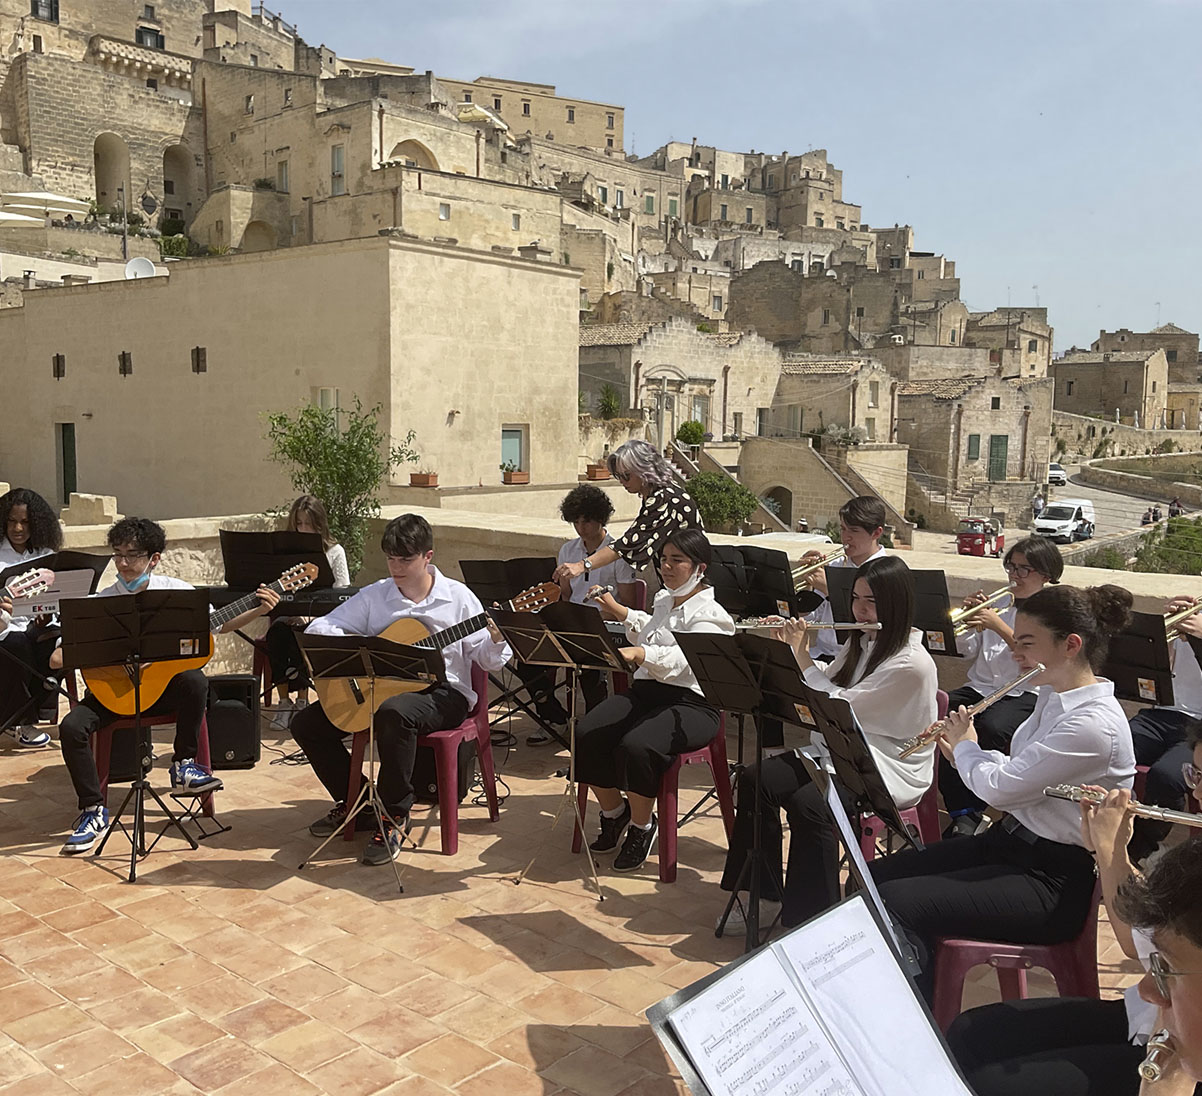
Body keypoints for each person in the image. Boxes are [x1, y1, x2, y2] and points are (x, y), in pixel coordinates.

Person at [870, 583, 1136, 1001]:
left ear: (1071, 645)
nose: (1016, 652)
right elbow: (1018, 769)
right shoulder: (1053, 696)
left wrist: (966, 748)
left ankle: (914, 1019)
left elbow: (1001, 790)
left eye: (1026, 643)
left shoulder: (1093, 726)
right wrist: (966, 749)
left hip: (1050, 882)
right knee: (873, 879)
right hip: (1009, 846)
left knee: (898, 902)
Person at [946, 725, 1202, 1096]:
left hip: (1183, 1038)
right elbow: (1150, 928)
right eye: (1195, 775)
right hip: (1157, 1018)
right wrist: (1108, 847)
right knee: (972, 1035)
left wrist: (1110, 851)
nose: (1196, 794)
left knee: (990, 1084)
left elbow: (1135, 942)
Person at [718, 556, 938, 933]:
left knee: (813, 805)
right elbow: (826, 679)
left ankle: (813, 920)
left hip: (883, 767)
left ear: (897, 604)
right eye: (855, 599)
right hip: (839, 752)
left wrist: (801, 654)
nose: (860, 610)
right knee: (756, 780)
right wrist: (785, 651)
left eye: (871, 601)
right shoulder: (863, 641)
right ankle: (764, 895)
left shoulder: (911, 664)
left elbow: (839, 706)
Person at [290, 514, 512, 866]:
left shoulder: (458, 598)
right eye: (391, 559)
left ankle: (394, 814)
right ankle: (360, 803)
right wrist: (355, 642)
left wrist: (498, 639)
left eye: (405, 559)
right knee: (306, 724)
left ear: (427, 556)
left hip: (445, 694)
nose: (396, 567)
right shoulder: (376, 595)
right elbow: (323, 626)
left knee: (394, 714)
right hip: (381, 689)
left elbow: (487, 660)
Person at [53, 518, 278, 855]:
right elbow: (57, 657)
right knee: (71, 727)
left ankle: (183, 764)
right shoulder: (101, 602)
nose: (123, 564)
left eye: (132, 555)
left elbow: (220, 624)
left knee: (194, 680)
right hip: (114, 694)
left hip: (161, 694)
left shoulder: (177, 593)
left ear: (154, 559)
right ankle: (93, 809)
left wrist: (259, 608)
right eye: (118, 555)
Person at [578, 529, 735, 873]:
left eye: (677, 560)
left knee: (638, 745)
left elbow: (681, 660)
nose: (666, 566)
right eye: (663, 559)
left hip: (693, 703)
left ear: (700, 568)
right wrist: (620, 611)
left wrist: (640, 653)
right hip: (648, 692)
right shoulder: (665, 599)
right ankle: (614, 813)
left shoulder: (713, 616)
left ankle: (642, 826)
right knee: (587, 732)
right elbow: (653, 630)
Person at [941, 535, 1065, 837]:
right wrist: (968, 623)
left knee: (992, 727)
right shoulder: (999, 605)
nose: (1014, 575)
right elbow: (966, 651)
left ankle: (972, 812)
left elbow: (1038, 662)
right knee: (941, 714)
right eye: (1011, 567)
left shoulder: (1053, 615)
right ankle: (960, 811)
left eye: (1023, 569)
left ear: (1045, 574)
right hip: (981, 687)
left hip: (1025, 692)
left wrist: (998, 626)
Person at [519, 484, 638, 745]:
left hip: (602, 625)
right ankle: (554, 718)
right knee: (527, 659)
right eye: (576, 521)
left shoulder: (617, 553)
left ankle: (596, 732)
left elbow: (629, 604)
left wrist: (601, 613)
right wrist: (562, 589)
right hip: (571, 622)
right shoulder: (568, 550)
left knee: (590, 667)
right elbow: (566, 597)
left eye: (587, 521)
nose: (581, 528)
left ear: (601, 518)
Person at [552, 439, 701, 589]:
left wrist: (582, 565)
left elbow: (628, 544)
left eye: (627, 475)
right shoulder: (656, 495)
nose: (622, 481)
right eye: (619, 476)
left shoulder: (664, 498)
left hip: (691, 586)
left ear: (644, 470)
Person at [1125, 594, 1202, 863]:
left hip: (1199, 726)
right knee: (1108, 749)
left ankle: (1144, 850)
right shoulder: (1193, 613)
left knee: (1167, 775)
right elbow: (1156, 673)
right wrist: (1160, 634)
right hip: (1163, 714)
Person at [262, 495, 350, 723]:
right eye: (299, 523)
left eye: (308, 524)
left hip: (322, 619)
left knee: (304, 635)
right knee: (277, 634)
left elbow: (342, 595)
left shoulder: (334, 551)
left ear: (319, 524)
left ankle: (303, 700)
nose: (303, 529)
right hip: (287, 616)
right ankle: (284, 702)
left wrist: (310, 616)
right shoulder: (285, 552)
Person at [0, 487, 64, 747]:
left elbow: (54, 598)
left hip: (34, 625)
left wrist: (46, 615)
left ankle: (41, 710)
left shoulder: (46, 555)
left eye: (25, 522)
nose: (18, 528)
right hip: (4, 628)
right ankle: (19, 721)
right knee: (17, 644)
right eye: (12, 521)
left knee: (57, 641)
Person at [798, 496, 888, 662]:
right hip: (820, 653)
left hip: (858, 659)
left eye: (853, 531)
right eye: (843, 529)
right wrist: (808, 586)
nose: (845, 537)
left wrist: (830, 591)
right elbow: (809, 618)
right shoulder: (835, 564)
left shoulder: (887, 573)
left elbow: (872, 628)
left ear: (876, 533)